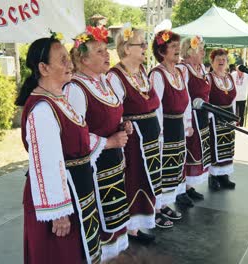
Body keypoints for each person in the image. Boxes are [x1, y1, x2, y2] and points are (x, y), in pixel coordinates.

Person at [18, 35, 101, 263]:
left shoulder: (58, 99)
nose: (70, 64)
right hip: (58, 201)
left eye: (68, 58)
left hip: (75, 190)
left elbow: (77, 142)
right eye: (63, 60)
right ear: (43, 68)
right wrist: (58, 212)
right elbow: (46, 163)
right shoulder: (43, 109)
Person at [66, 26, 132, 261]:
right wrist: (109, 142)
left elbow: (111, 115)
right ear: (83, 59)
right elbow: (75, 134)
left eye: (106, 50)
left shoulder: (103, 82)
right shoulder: (75, 88)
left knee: (113, 217)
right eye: (99, 51)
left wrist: (123, 125)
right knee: (98, 224)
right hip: (93, 169)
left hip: (112, 164)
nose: (107, 55)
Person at [108, 25, 173, 232]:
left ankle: (144, 221)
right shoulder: (115, 76)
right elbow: (114, 112)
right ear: (127, 48)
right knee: (134, 181)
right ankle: (131, 229)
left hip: (151, 138)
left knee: (148, 180)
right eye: (142, 43)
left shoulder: (142, 71)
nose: (146, 47)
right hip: (133, 141)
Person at [149, 30, 193, 209]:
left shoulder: (179, 73)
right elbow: (155, 107)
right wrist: (159, 134)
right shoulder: (157, 75)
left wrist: (188, 123)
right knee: (163, 169)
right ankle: (158, 208)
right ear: (161, 52)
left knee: (175, 168)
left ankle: (166, 204)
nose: (178, 49)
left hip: (178, 127)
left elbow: (187, 99)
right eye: (173, 46)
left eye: (178, 45)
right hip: (165, 129)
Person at [176, 35, 211, 204]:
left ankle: (188, 186)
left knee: (196, 152)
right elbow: (181, 95)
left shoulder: (202, 68)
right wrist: (186, 121)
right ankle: (180, 190)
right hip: (189, 116)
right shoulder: (183, 69)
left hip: (202, 116)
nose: (203, 51)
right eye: (200, 48)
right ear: (190, 52)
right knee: (186, 152)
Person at [207, 49, 237, 190]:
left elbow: (234, 98)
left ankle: (224, 175)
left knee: (228, 146)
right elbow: (206, 99)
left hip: (228, 115)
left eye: (224, 59)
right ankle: (213, 176)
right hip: (215, 116)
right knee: (215, 146)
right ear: (212, 62)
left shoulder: (230, 77)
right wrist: (209, 116)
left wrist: (235, 115)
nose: (221, 61)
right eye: (218, 59)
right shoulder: (209, 78)